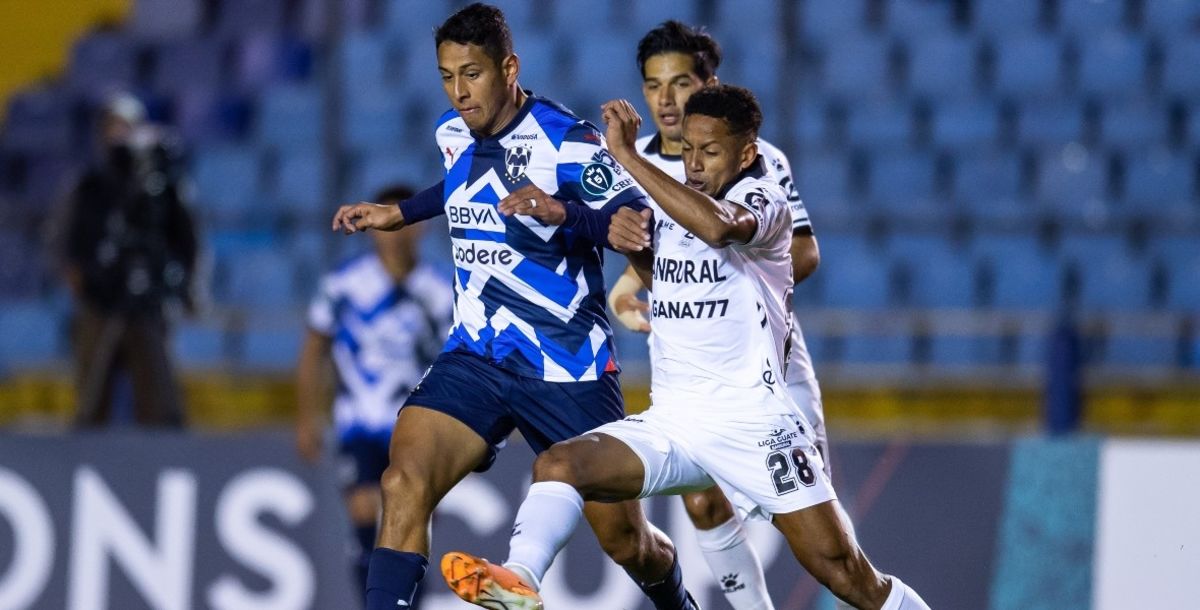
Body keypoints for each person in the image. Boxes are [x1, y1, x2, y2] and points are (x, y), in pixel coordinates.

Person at [441, 86, 931, 610]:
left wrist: (627, 157)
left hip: (753, 423)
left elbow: (720, 228)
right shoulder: (671, 202)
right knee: (558, 466)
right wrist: (583, 221)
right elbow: (660, 274)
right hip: (675, 421)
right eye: (689, 149)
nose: (694, 164)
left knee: (847, 575)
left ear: (746, 153)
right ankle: (519, 580)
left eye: (711, 152)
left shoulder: (764, 201)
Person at [329, 5, 699, 609]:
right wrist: (401, 212)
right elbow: (463, 182)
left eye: (471, 74)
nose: (458, 92)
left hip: (565, 365)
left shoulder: (568, 141)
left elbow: (640, 225)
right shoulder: (452, 133)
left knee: (628, 543)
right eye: (447, 76)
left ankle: (678, 603)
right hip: (476, 353)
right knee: (402, 482)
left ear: (509, 68)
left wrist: (564, 213)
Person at [605, 21, 841, 610]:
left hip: (765, 359)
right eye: (653, 85)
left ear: (710, 84)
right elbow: (654, 254)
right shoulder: (633, 167)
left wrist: (727, 293)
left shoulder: (760, 165)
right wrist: (630, 289)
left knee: (815, 520)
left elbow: (801, 251)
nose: (665, 99)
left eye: (680, 83)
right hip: (689, 368)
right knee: (701, 499)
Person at [296, 184, 453, 600]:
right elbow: (315, 348)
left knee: (411, 518)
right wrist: (306, 416)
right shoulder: (344, 285)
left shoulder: (438, 291)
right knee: (365, 511)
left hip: (415, 421)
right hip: (359, 419)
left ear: (417, 227)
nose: (395, 235)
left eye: (403, 224)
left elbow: (458, 354)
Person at [55, 93, 198, 428]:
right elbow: (70, 240)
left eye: (125, 127)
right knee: (92, 401)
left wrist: (180, 283)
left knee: (159, 402)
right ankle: (84, 458)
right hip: (100, 300)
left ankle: (163, 461)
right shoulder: (90, 186)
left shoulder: (162, 185)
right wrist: (82, 277)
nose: (117, 135)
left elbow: (184, 239)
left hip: (147, 303)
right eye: (110, 127)